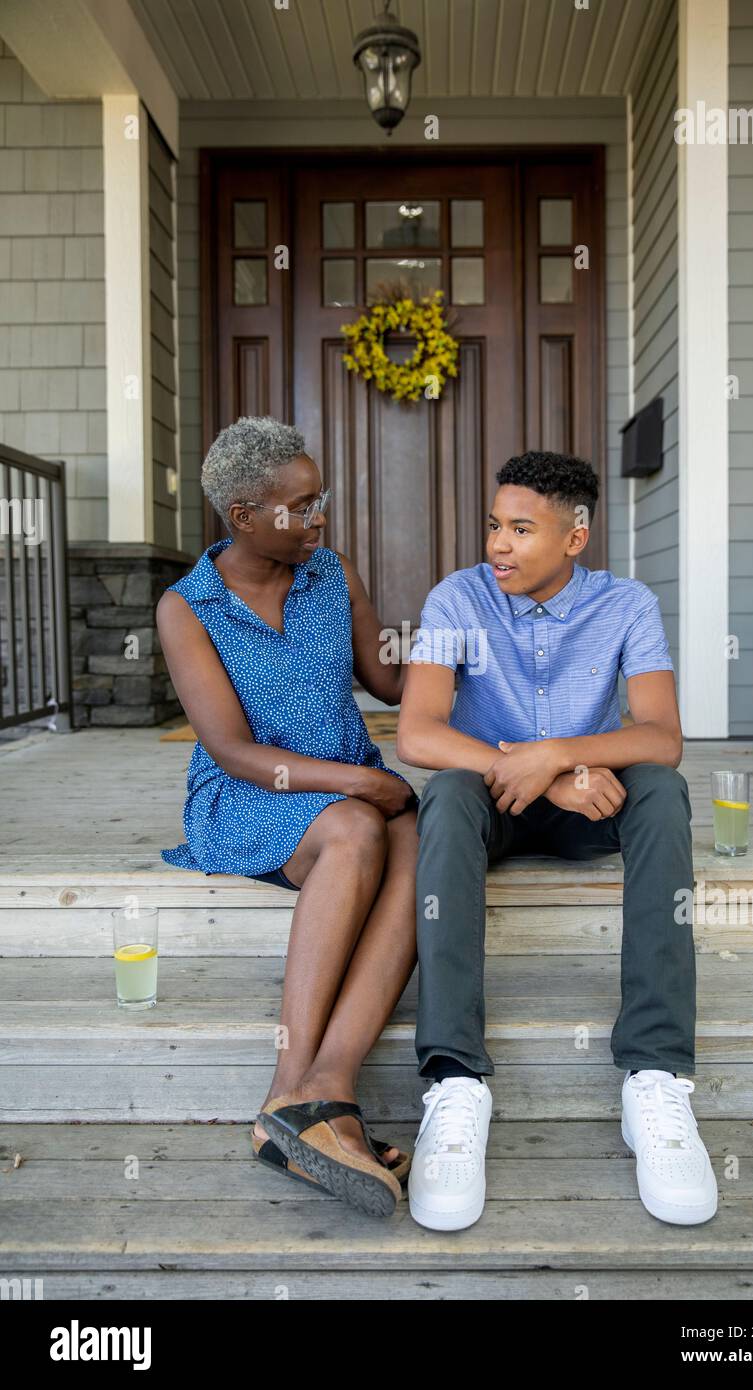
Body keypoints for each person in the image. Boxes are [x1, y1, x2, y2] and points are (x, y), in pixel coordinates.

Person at [397, 450, 717, 1231]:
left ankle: (655, 1075)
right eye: (493, 526)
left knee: (662, 791)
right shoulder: (457, 598)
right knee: (445, 795)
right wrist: (538, 772)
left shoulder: (627, 605)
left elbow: (662, 737)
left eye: (520, 529)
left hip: (589, 804)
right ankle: (454, 1081)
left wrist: (562, 758)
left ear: (575, 538)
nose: (496, 545)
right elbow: (418, 733)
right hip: (495, 805)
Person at [157, 416, 418, 1218]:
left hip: (347, 789)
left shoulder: (331, 574)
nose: (319, 518)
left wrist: (467, 639)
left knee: (419, 832)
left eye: (319, 500)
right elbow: (233, 749)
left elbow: (389, 679)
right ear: (243, 516)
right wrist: (360, 783)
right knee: (357, 825)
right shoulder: (189, 607)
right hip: (247, 798)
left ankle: (324, 1092)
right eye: (300, 507)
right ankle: (285, 1090)